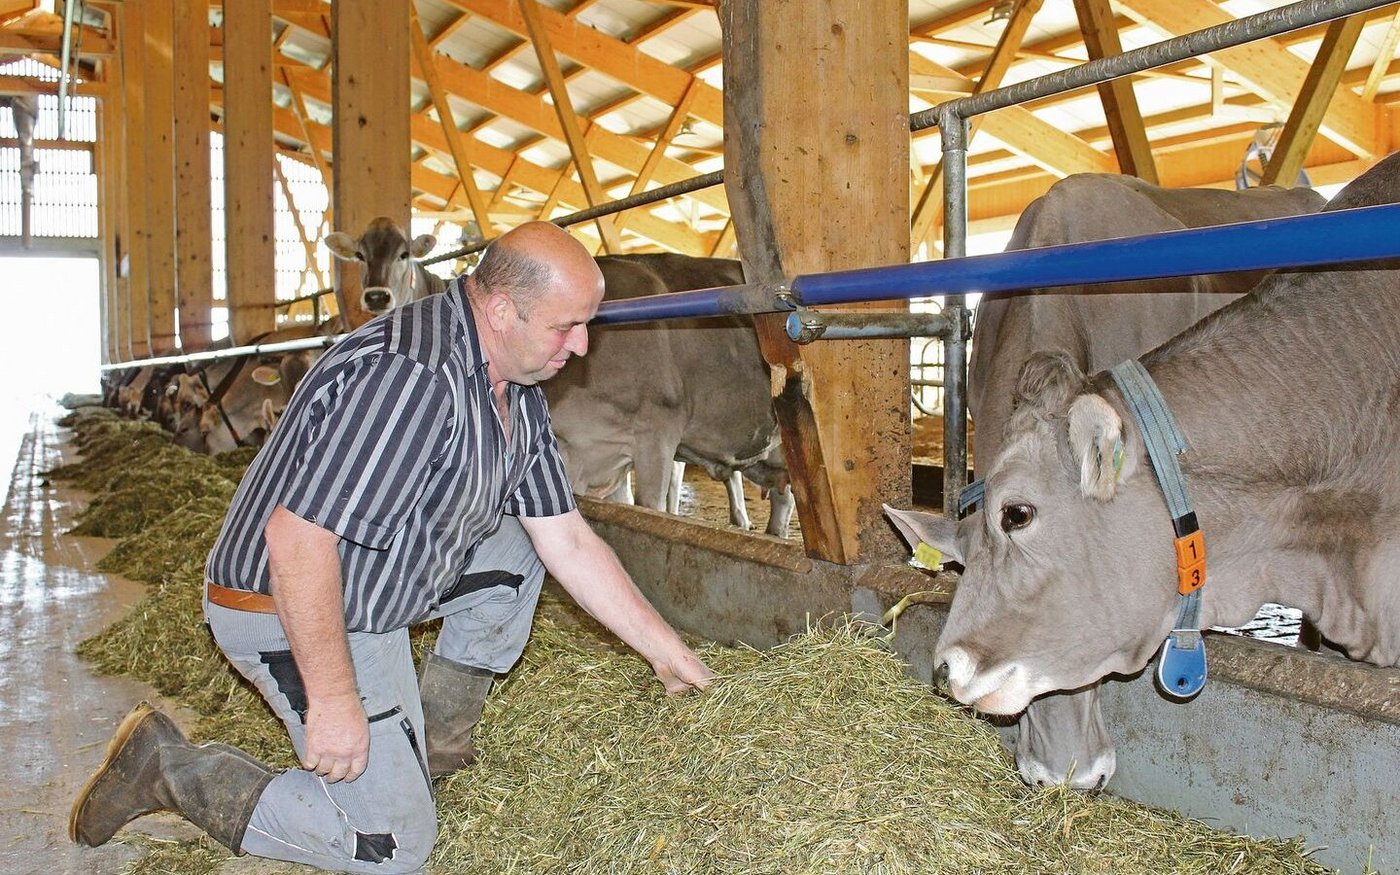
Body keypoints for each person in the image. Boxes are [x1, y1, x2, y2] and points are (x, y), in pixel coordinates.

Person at [69, 222, 714, 873]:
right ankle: (171, 770)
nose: (581, 347)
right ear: (499, 309)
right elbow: (297, 541)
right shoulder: (412, 378)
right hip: (288, 605)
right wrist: (334, 698)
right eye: (565, 326)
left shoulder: (512, 384)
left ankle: (430, 748)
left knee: (521, 546)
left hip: (382, 575)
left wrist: (666, 649)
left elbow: (566, 536)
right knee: (395, 847)